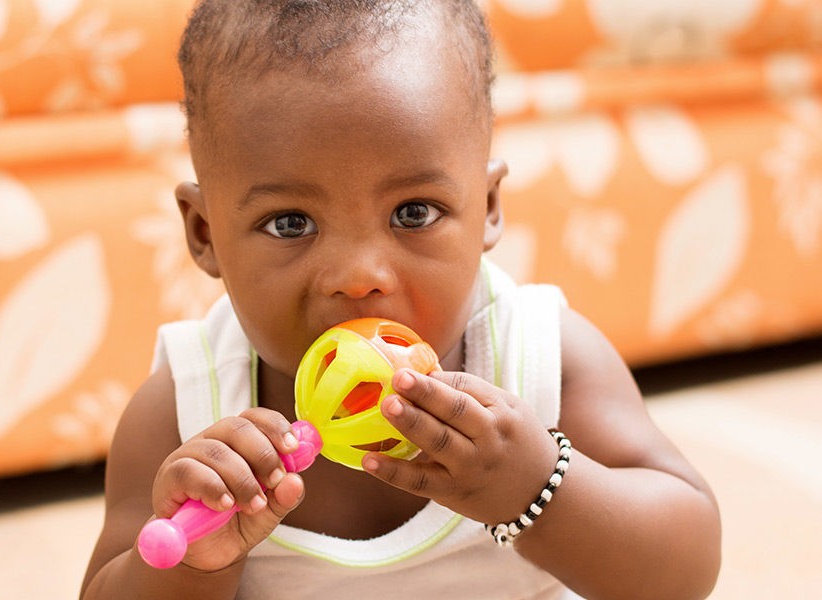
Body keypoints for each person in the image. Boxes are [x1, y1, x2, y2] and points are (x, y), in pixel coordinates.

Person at [81, 1, 721, 598]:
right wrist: (193, 560)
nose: (359, 277)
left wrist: (538, 489)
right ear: (204, 233)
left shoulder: (541, 358)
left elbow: (684, 568)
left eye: (414, 212)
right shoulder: (182, 410)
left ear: (488, 207)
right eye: (290, 223)